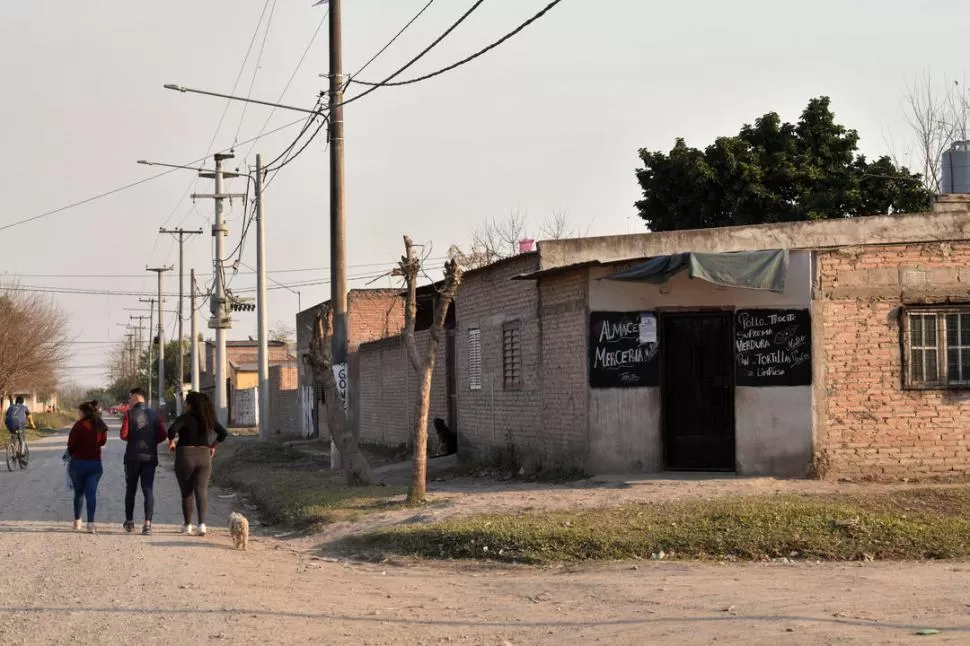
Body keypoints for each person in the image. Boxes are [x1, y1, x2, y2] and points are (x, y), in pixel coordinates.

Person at [167, 391, 228, 536]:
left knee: (187, 492)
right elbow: (223, 433)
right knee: (201, 490)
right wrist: (213, 446)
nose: (184, 405)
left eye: (186, 402)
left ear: (190, 404)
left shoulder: (184, 417)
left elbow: (172, 430)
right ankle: (202, 525)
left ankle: (187, 525)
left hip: (185, 456)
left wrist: (171, 442)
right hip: (204, 456)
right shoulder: (208, 419)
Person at [119, 387, 166, 535]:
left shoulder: (129, 414)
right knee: (148, 490)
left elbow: (123, 435)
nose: (128, 400)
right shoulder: (154, 415)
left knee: (131, 490)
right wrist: (151, 441)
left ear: (136, 397)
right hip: (150, 457)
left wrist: (134, 438)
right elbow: (162, 435)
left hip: (132, 457)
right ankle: (147, 525)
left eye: (130, 397)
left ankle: (130, 522)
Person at [67, 401, 108, 533]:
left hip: (77, 464)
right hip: (95, 464)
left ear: (85, 412)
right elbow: (102, 442)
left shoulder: (78, 426)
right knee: (91, 494)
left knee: (78, 493)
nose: (79, 414)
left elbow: (71, 445)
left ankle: (77, 521)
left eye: (80, 411)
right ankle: (91, 524)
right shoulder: (101, 426)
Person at [5, 396, 35, 465]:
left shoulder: (10, 407)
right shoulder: (24, 407)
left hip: (9, 423)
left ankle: (12, 447)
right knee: (22, 440)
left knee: (13, 433)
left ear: (16, 401)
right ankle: (21, 456)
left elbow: (7, 416)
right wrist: (32, 426)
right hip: (19, 424)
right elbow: (29, 418)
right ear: (22, 402)